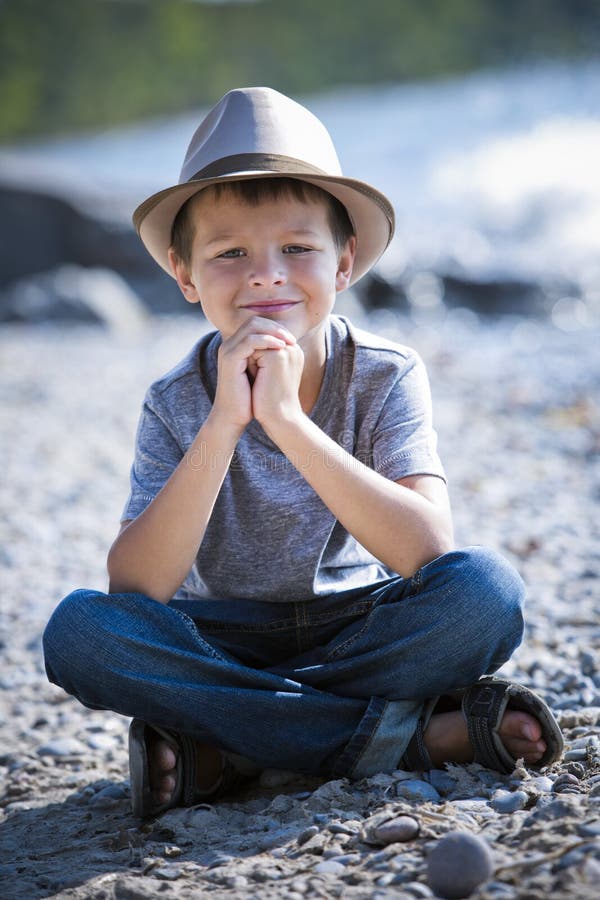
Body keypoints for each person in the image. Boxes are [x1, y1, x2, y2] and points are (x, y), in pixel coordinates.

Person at [43, 87, 563, 818]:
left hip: (358, 627)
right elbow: (137, 587)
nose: (266, 274)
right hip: (224, 635)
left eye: (298, 248)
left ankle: (233, 744)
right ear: (185, 274)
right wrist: (225, 422)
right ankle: (401, 737)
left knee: (486, 592)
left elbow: (427, 548)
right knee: (81, 633)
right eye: (230, 254)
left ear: (345, 262)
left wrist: (288, 422)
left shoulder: (385, 373)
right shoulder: (175, 399)